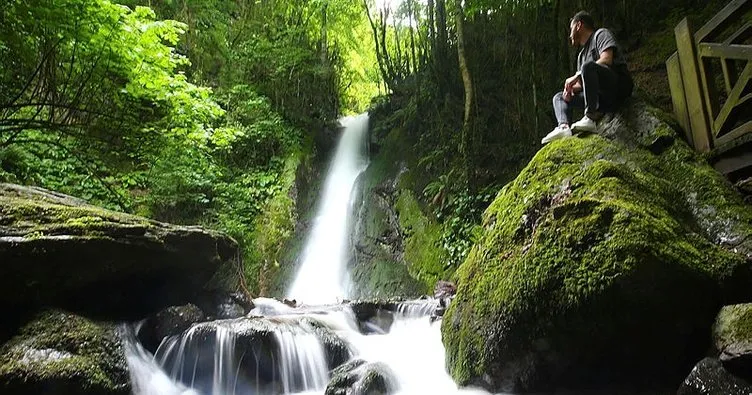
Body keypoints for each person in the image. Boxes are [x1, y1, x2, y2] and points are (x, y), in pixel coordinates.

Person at [542, 11, 633, 144]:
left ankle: (590, 116)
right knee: (559, 97)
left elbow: (607, 59)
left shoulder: (601, 34)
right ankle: (563, 127)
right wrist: (572, 90)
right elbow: (585, 82)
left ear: (579, 25)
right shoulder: (581, 56)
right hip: (600, 98)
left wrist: (577, 75)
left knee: (587, 67)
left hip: (617, 86)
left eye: (571, 28)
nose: (569, 34)